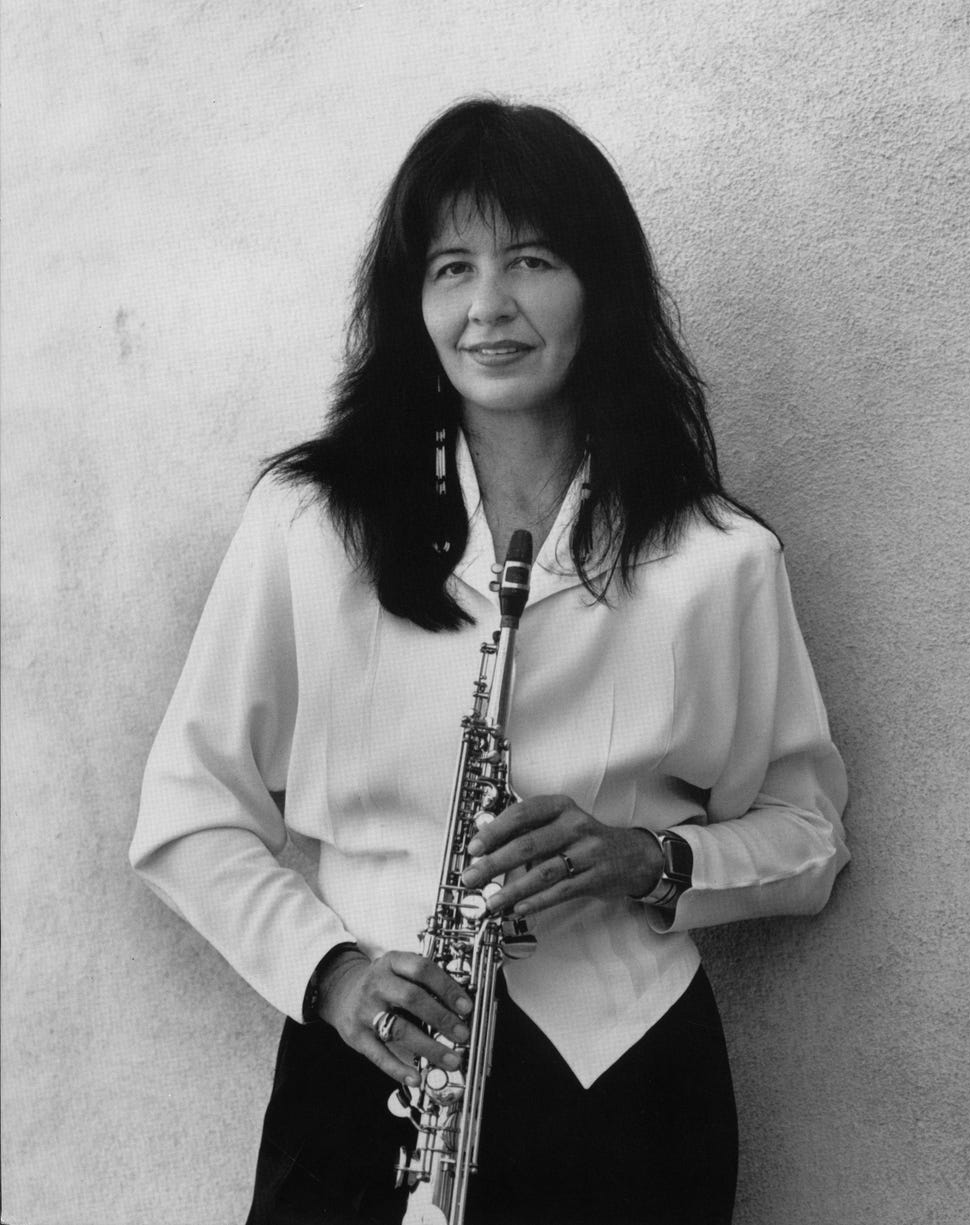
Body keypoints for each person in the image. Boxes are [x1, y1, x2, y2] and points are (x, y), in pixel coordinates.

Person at [131, 98, 849, 1225]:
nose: (487, 308)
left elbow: (806, 836)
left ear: (596, 287)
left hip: (628, 1086)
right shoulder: (303, 526)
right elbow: (186, 811)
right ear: (410, 303)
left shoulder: (719, 561)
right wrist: (332, 974)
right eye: (449, 268)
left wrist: (648, 859)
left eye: (531, 261)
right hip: (366, 1066)